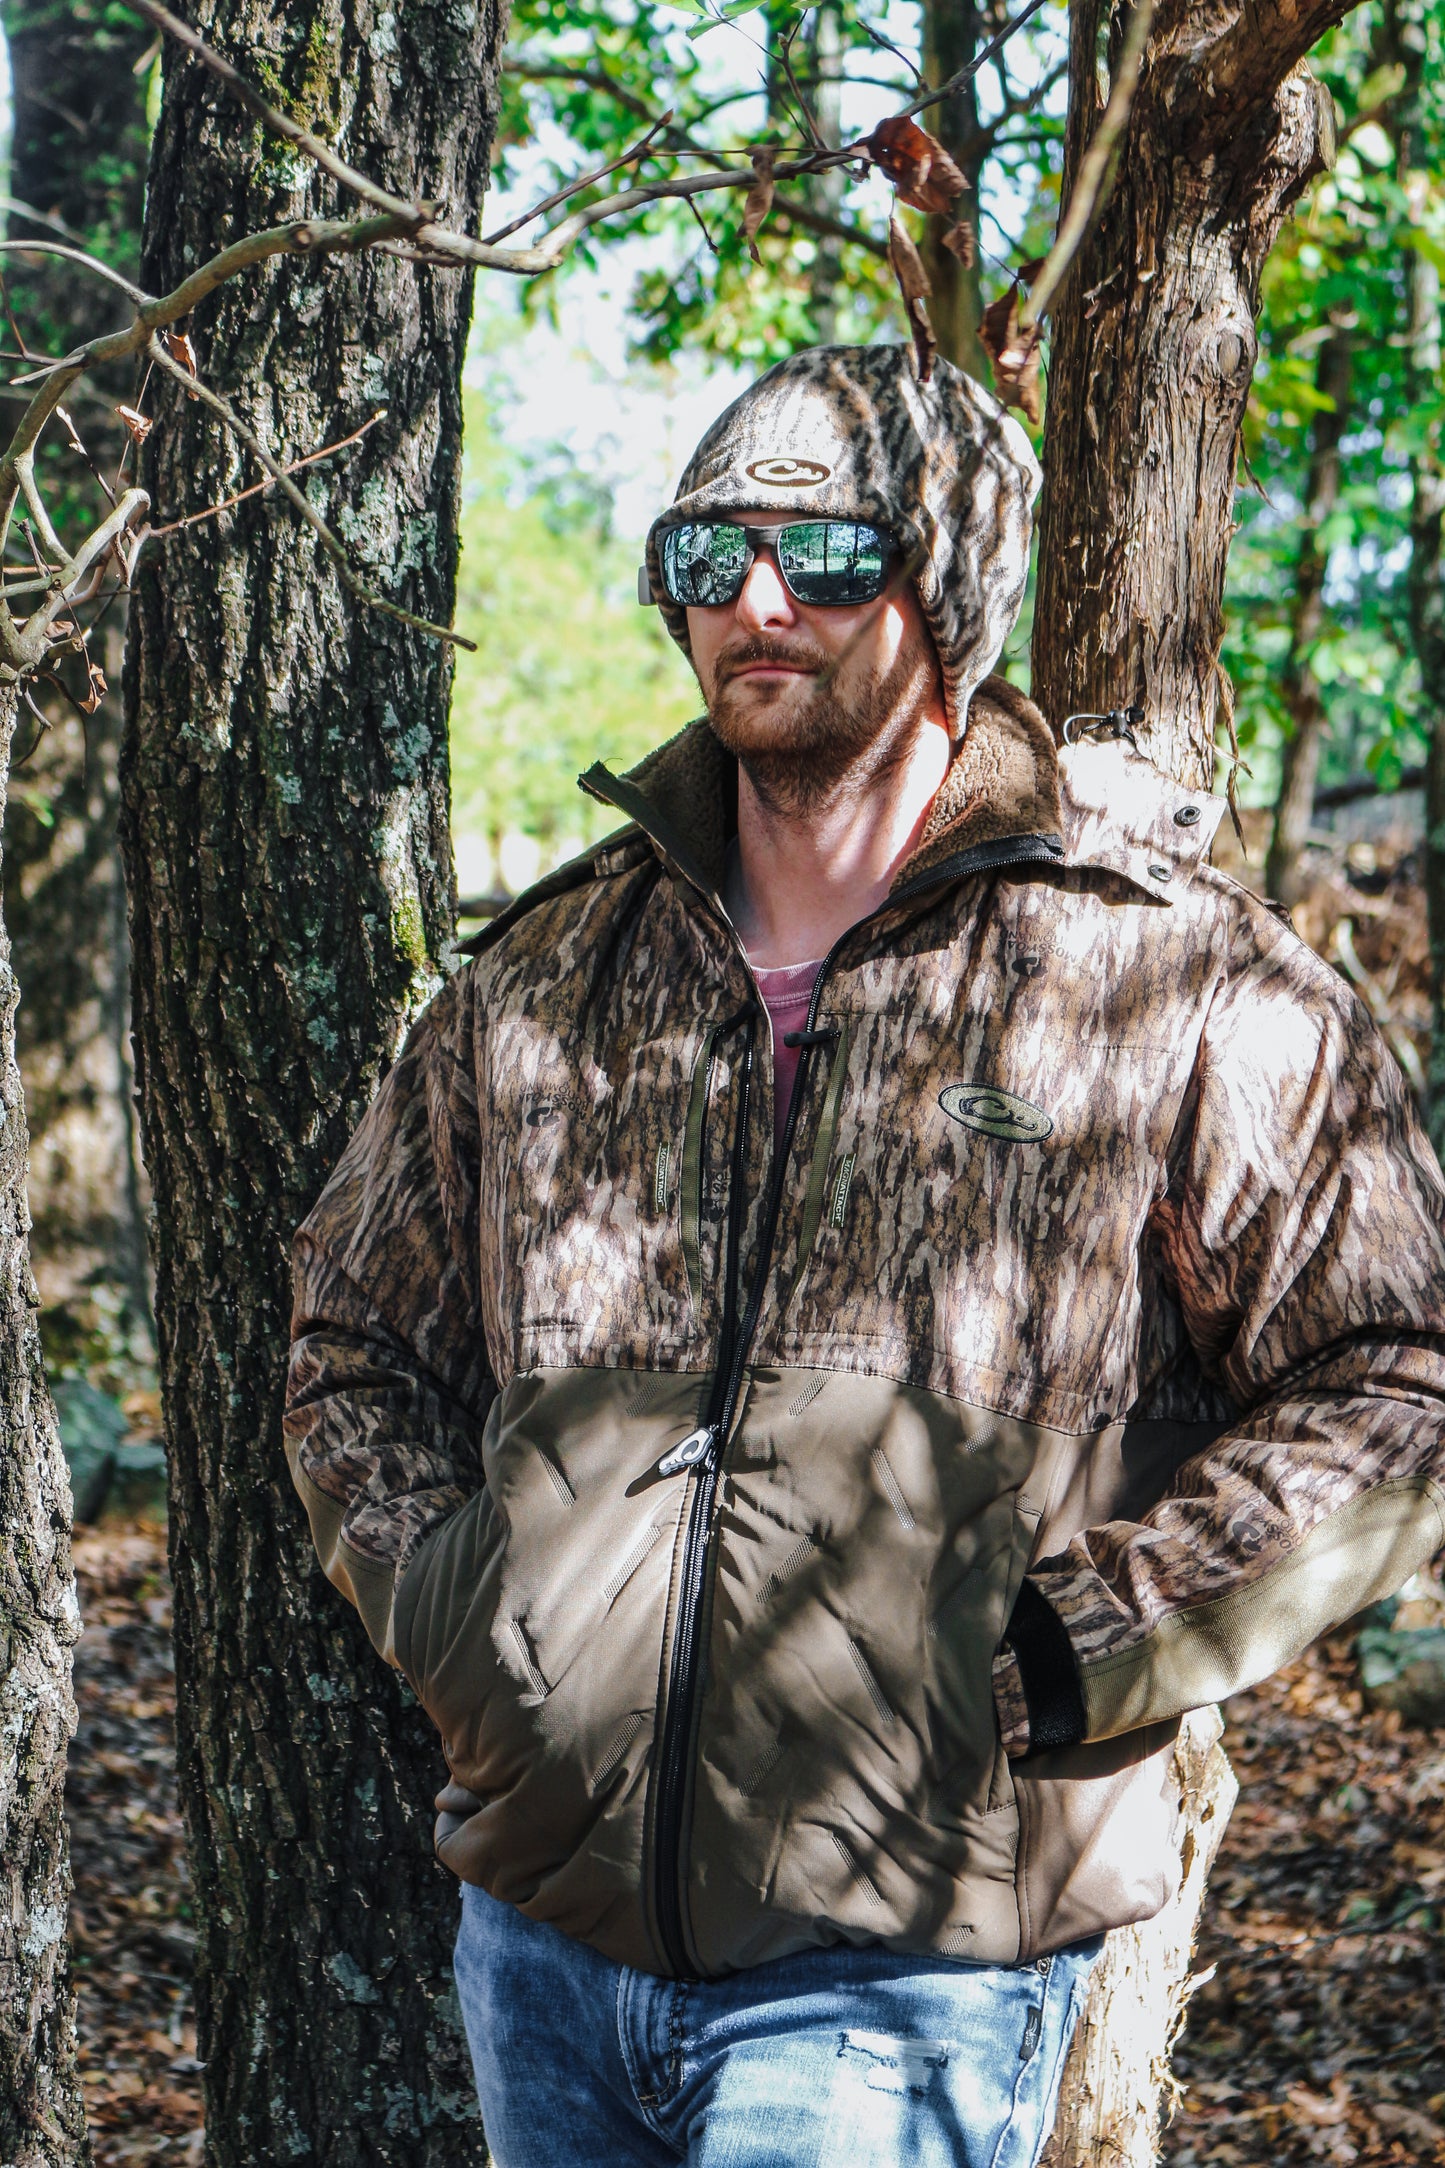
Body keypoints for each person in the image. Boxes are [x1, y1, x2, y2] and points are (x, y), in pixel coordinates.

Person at [284, 344, 1445, 2167]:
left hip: (909, 1965)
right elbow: (352, 1338)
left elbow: (1399, 1376)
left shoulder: (1164, 974)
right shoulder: (550, 975)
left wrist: (1078, 1648)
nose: (756, 600)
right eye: (707, 552)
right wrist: (456, 1613)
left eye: (825, 554)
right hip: (544, 1940)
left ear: (950, 592)